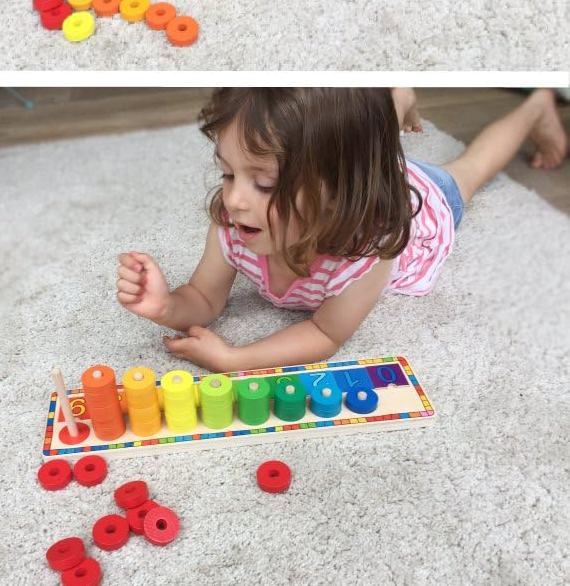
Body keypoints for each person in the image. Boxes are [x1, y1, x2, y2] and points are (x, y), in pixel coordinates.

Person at [115, 87, 565, 372]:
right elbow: (205, 297)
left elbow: (325, 334)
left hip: (415, 200)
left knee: (471, 168)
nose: (234, 199)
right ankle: (396, 98)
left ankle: (534, 108)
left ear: (340, 196)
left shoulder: (370, 250)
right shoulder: (236, 223)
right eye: (229, 174)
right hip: (351, 172)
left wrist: (237, 359)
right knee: (351, 130)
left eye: (265, 183)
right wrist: (167, 305)